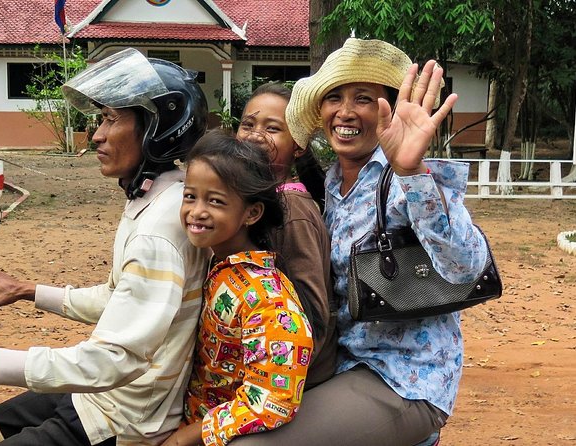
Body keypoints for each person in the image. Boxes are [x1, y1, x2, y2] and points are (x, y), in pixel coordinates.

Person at [0, 48, 210, 446]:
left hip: (121, 418)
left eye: (110, 119)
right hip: (101, 395)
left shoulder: (158, 230)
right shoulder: (154, 197)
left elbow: (113, 360)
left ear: (159, 126)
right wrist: (27, 291)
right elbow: (121, 299)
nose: (97, 134)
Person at [231, 38, 489, 446]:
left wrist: (412, 171)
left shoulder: (407, 179)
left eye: (364, 99)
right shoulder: (330, 184)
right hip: (340, 365)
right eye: (334, 98)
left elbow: (466, 267)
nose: (345, 112)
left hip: (401, 377)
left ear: (389, 110)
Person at [162, 131, 314, 446]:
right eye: (190, 196)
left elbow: (275, 400)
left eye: (215, 201)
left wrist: (185, 439)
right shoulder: (210, 261)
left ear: (252, 213)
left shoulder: (266, 298)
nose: (197, 211)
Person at [236, 82, 336, 389]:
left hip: (290, 378)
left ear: (299, 145)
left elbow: (314, 312)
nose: (255, 135)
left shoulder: (291, 209)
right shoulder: (252, 202)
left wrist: (279, 382)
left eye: (273, 128)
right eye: (248, 124)